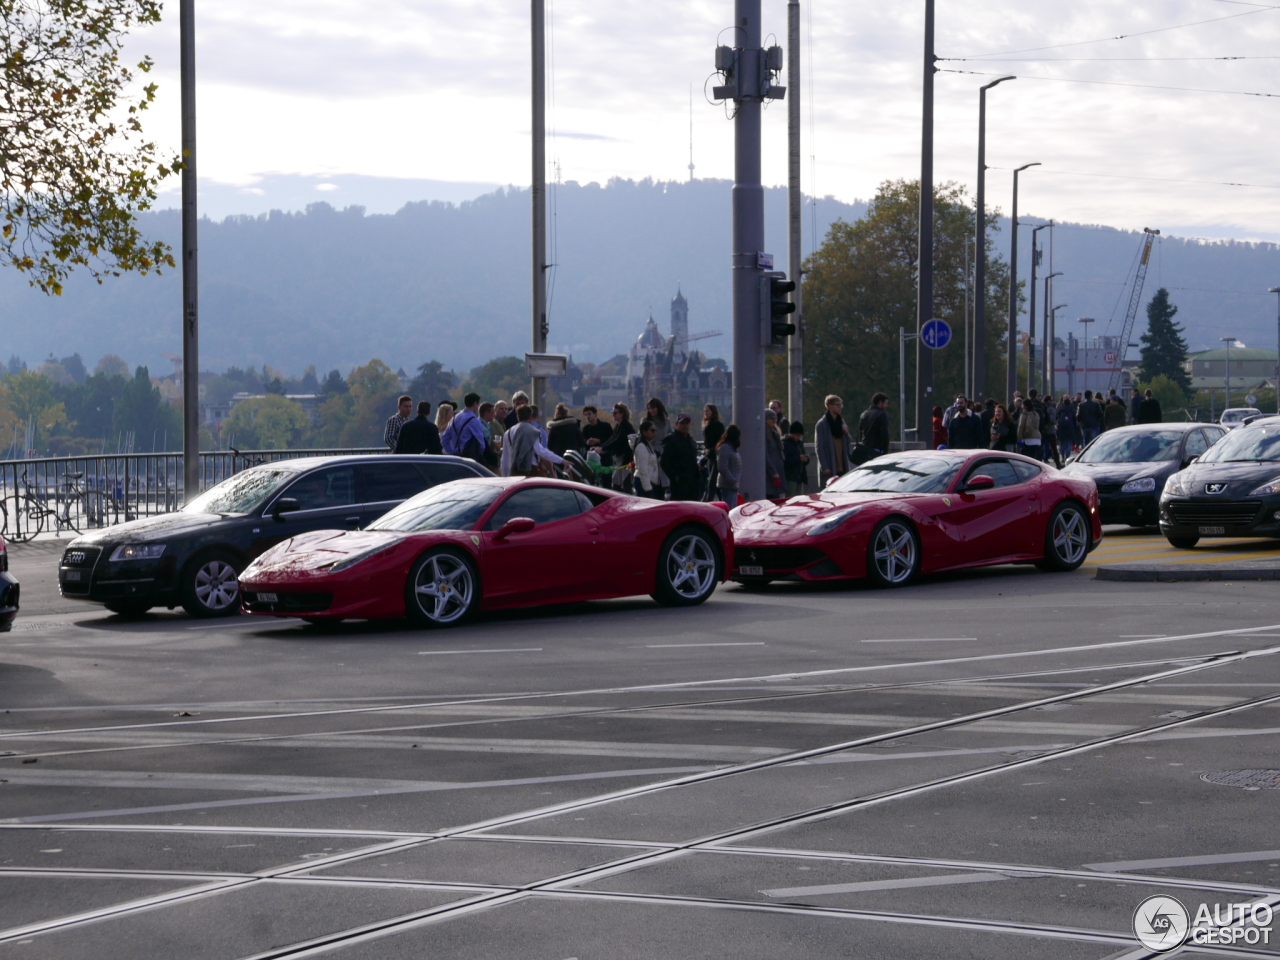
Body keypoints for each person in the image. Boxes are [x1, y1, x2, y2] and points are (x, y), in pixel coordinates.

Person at [501, 404, 564, 477]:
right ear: (530, 417)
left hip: (513, 470)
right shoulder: (533, 432)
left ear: (517, 417)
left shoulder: (507, 433)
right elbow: (541, 451)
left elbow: (505, 458)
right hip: (530, 470)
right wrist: (561, 460)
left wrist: (505, 476)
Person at [441, 392, 491, 467]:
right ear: (475, 403)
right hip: (469, 459)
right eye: (478, 404)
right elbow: (481, 444)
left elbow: (444, 439)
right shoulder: (474, 420)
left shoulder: (455, 418)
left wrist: (452, 452)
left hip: (456, 459)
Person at [661, 413, 701, 501]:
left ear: (690, 424)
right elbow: (664, 461)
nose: (685, 426)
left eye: (687, 423)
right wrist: (675, 476)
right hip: (679, 483)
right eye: (682, 423)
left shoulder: (691, 441)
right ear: (677, 424)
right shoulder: (671, 439)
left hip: (693, 483)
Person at [815, 395, 852, 483]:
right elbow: (819, 447)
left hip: (843, 465)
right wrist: (824, 466)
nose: (840, 408)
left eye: (841, 405)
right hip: (830, 466)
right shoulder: (822, 424)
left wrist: (846, 433)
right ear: (829, 406)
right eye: (837, 405)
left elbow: (848, 442)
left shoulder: (841, 422)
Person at [601, 402, 637, 492]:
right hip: (621, 459)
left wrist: (602, 449)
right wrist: (601, 447)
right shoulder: (619, 425)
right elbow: (612, 439)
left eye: (615, 413)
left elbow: (617, 441)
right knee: (620, 482)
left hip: (626, 460)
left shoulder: (625, 426)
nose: (613, 415)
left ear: (622, 414)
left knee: (621, 482)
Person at [632, 419, 664, 499]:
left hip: (647, 481)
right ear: (644, 431)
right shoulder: (642, 446)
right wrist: (648, 489)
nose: (655, 433)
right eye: (652, 430)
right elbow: (643, 470)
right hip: (643, 482)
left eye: (655, 430)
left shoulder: (647, 445)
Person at [859, 392, 890, 460]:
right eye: (885, 403)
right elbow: (884, 434)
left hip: (865, 450)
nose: (886, 406)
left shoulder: (864, 414)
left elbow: (861, 433)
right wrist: (885, 451)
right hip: (877, 450)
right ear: (880, 402)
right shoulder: (882, 414)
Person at [703, 404, 726, 498]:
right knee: (715, 484)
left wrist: (711, 449)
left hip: (717, 456)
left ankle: (709, 502)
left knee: (712, 483)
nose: (705, 413)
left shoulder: (718, 425)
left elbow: (721, 441)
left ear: (713, 412)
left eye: (707, 411)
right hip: (711, 457)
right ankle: (723, 502)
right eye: (705, 411)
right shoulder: (707, 426)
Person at [783, 420, 810, 496]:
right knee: (789, 499)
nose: (799, 438)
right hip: (790, 478)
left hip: (799, 477)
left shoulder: (799, 444)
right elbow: (785, 461)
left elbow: (804, 458)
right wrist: (798, 458)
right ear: (791, 433)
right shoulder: (785, 444)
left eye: (800, 436)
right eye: (797, 435)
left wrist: (806, 459)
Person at [716, 424, 742, 500]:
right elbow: (722, 467)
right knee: (729, 509)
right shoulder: (725, 448)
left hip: (732, 486)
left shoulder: (731, 448)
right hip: (727, 486)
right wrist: (732, 480)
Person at [764, 409, 786, 496]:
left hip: (777, 471)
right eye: (771, 418)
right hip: (770, 474)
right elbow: (765, 455)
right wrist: (773, 472)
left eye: (775, 418)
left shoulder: (775, 432)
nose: (774, 420)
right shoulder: (765, 433)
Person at [1040, 395, 1063, 468]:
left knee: (1040, 448)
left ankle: (1038, 462)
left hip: (1041, 430)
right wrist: (1056, 422)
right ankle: (1058, 464)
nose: (1053, 402)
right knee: (1054, 448)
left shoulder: (1041, 408)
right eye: (1052, 400)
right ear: (1049, 401)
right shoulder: (1051, 409)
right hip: (1050, 431)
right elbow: (1052, 420)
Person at [1017, 394, 1042, 459]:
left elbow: (1021, 427)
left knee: (1025, 459)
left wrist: (1019, 438)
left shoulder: (1024, 414)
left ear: (1026, 406)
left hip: (1028, 439)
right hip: (1037, 439)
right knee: (1033, 458)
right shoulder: (1036, 414)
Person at [477, 402, 500, 469]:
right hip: (485, 461)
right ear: (487, 413)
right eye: (493, 413)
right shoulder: (483, 429)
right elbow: (485, 447)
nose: (494, 415)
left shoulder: (480, 424)